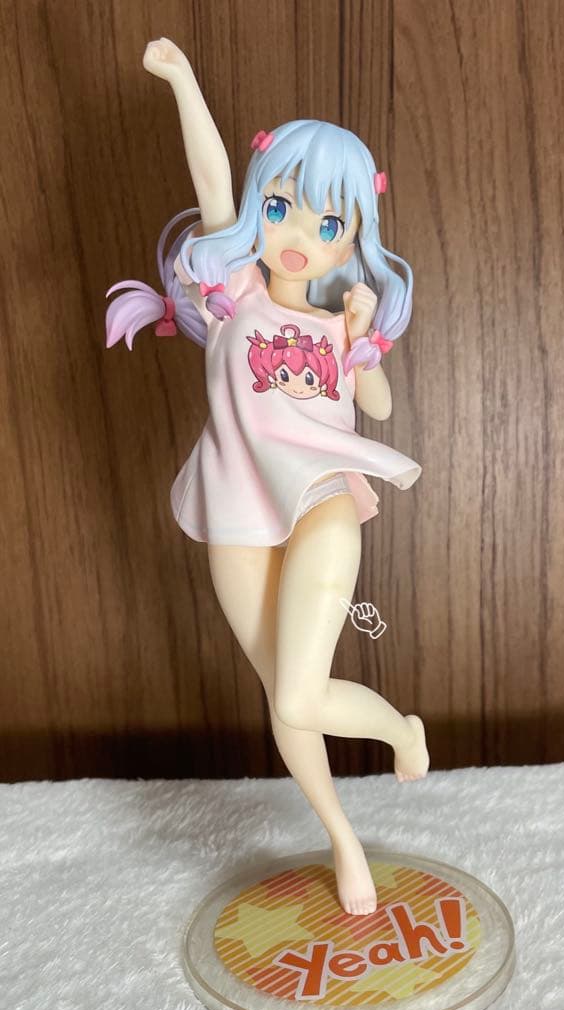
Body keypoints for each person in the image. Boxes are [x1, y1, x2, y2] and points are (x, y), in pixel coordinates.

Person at [105, 37, 430, 916]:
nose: (297, 238)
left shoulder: (339, 326)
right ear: (259, 207)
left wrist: (362, 337)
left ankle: (398, 729)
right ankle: (343, 839)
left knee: (297, 688)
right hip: (235, 511)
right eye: (282, 208)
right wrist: (182, 81)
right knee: (286, 703)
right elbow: (211, 178)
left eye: (328, 226)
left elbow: (378, 406)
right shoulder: (236, 289)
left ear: (352, 239)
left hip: (322, 503)